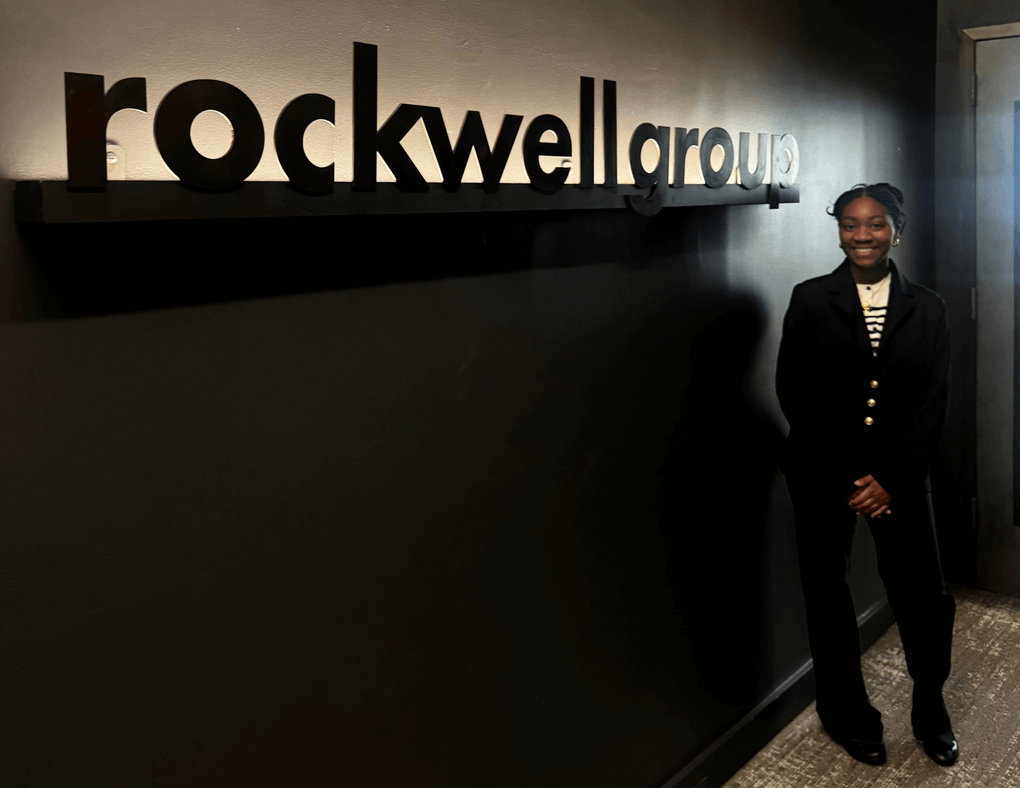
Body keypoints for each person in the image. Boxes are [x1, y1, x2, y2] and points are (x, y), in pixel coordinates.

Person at [775, 183, 958, 767]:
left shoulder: (928, 307)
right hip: (822, 471)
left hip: (899, 475)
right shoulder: (810, 299)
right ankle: (845, 712)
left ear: (896, 230)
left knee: (924, 594)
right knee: (827, 593)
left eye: (875, 224)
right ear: (839, 231)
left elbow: (932, 404)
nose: (862, 235)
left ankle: (930, 706)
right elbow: (796, 393)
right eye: (850, 225)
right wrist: (856, 475)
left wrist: (889, 479)